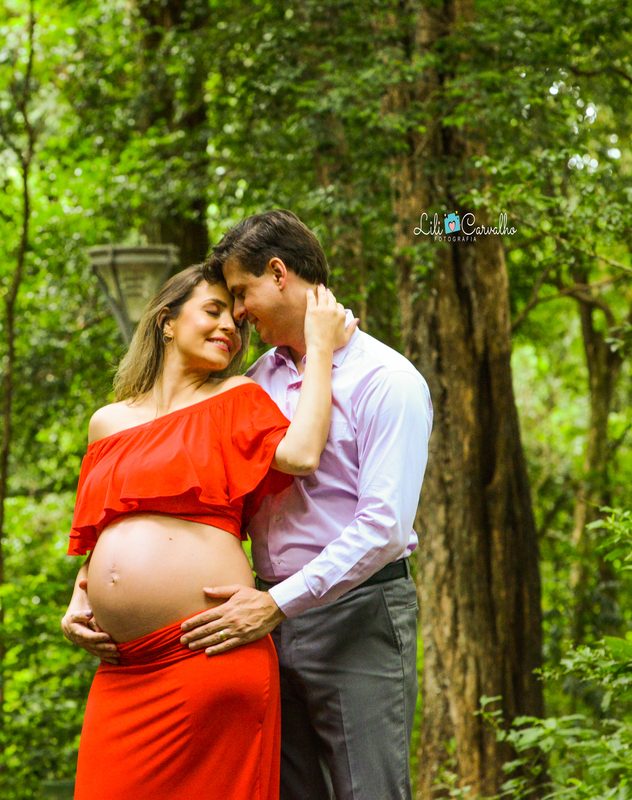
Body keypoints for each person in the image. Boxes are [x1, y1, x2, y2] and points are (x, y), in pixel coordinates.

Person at [61, 263, 356, 800]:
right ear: (166, 321)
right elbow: (99, 527)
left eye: (237, 321)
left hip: (208, 652)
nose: (229, 328)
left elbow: (303, 452)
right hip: (124, 670)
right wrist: (79, 598)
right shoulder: (107, 422)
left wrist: (320, 350)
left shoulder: (237, 397)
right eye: (213, 312)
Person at [178, 209, 433, 800]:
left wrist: (277, 606)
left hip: (356, 616)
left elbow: (385, 529)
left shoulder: (387, 380)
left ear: (278, 273)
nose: (238, 314)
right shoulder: (254, 381)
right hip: (260, 620)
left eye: (241, 293)